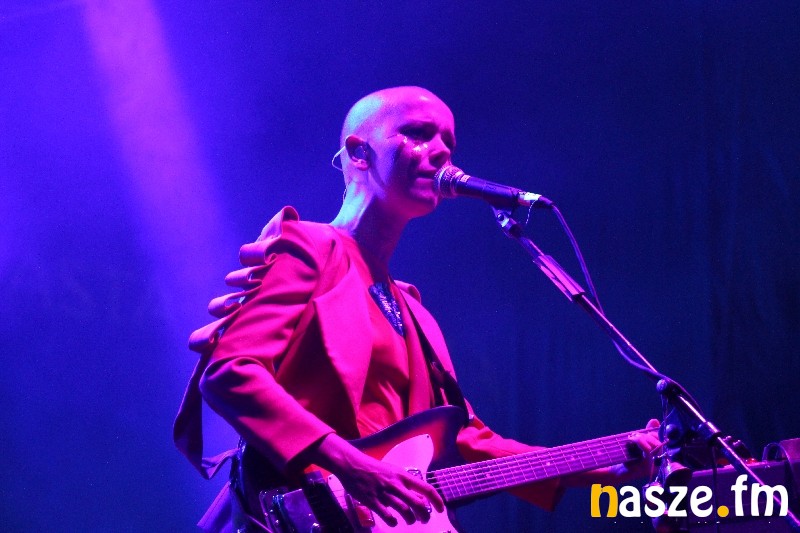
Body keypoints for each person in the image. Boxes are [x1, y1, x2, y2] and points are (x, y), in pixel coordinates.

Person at [174, 86, 661, 532]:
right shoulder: (312, 247)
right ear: (359, 152)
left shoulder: (412, 309)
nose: (442, 150)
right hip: (304, 512)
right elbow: (230, 373)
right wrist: (351, 464)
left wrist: (604, 466)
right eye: (418, 133)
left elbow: (467, 440)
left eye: (449, 140)